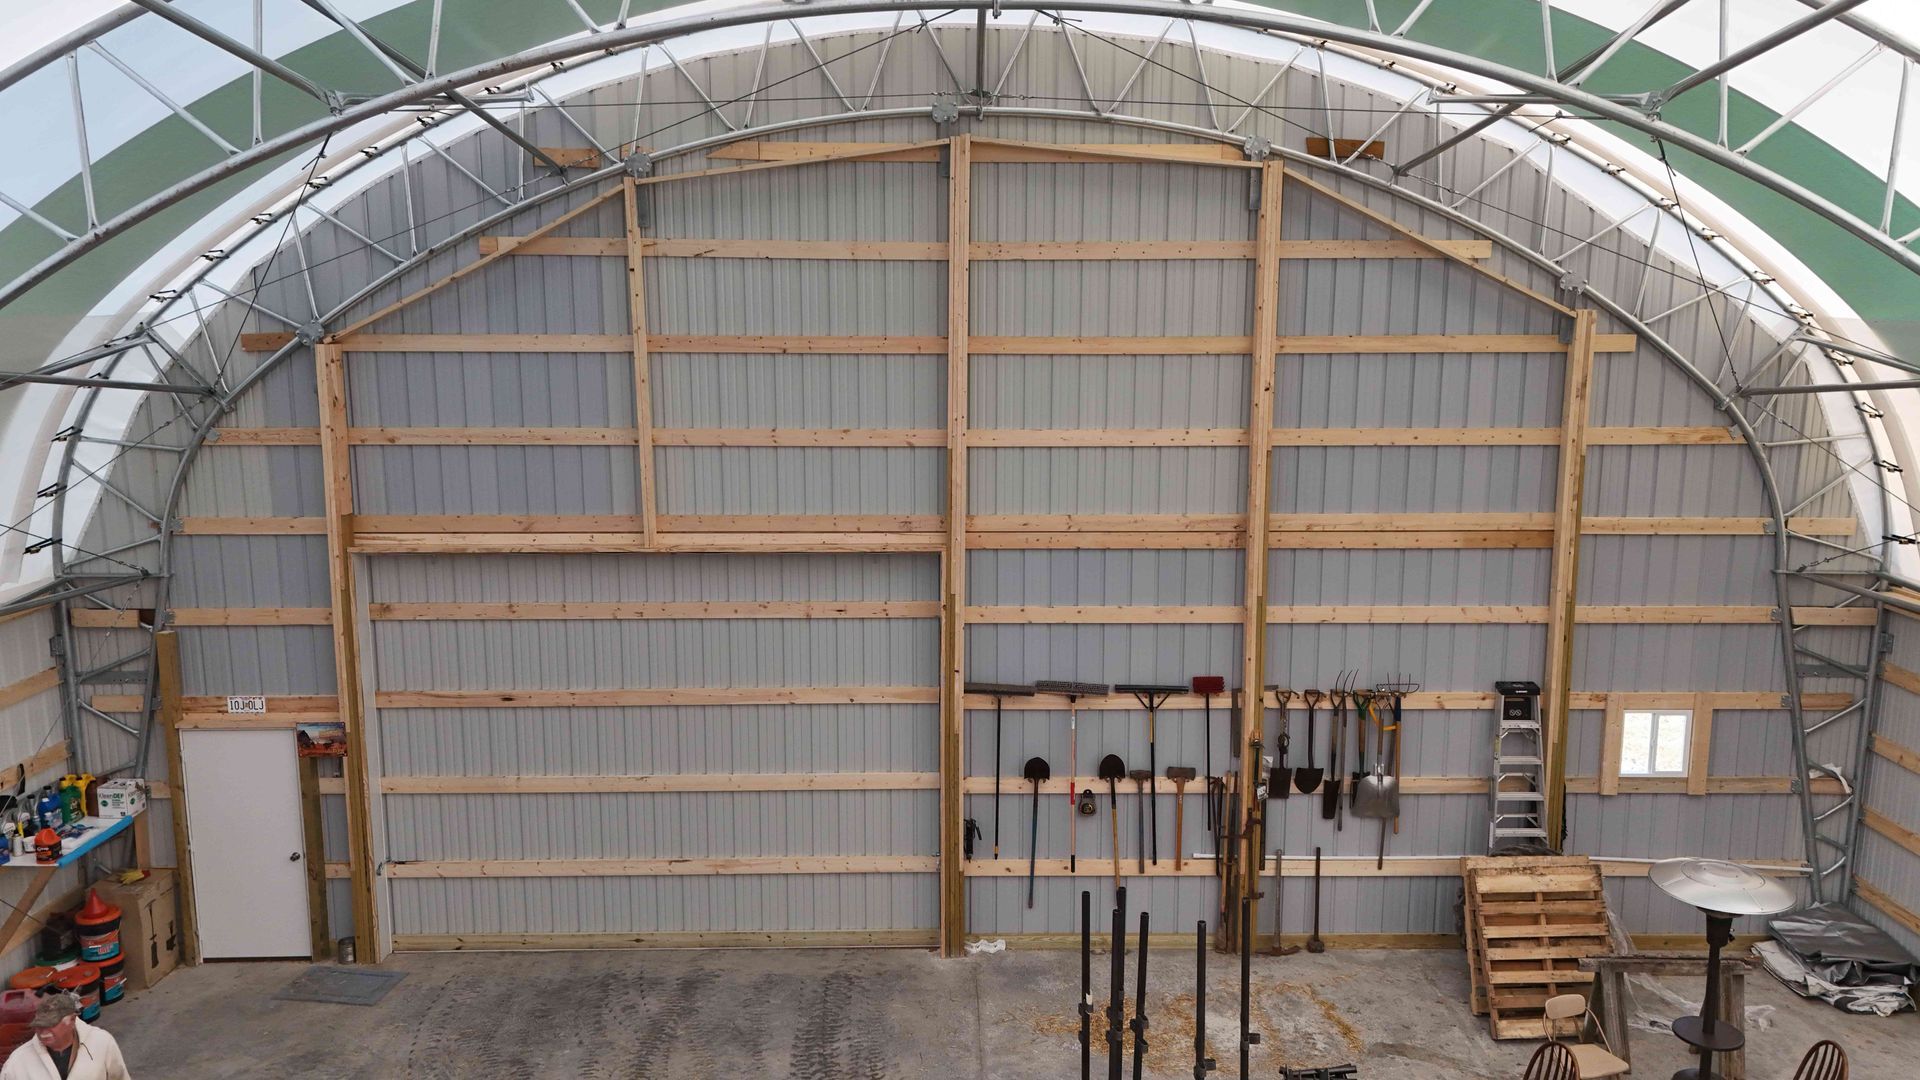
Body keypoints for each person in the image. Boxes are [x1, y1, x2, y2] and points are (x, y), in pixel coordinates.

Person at [0, 994, 129, 1080]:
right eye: (39, 1025)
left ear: (72, 1020)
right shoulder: (17, 1063)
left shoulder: (102, 1043)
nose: (43, 1031)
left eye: (51, 1025)